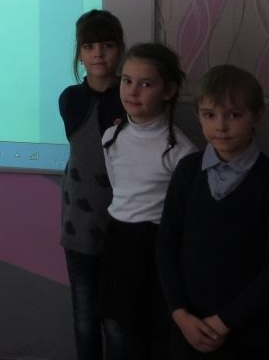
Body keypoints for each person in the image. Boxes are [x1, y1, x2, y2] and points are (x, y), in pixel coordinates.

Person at [156, 65, 269, 360]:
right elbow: (166, 245)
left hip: (248, 335)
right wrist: (179, 313)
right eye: (209, 115)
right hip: (187, 329)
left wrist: (223, 323)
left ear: (257, 116)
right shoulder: (187, 171)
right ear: (198, 115)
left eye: (234, 115)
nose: (220, 126)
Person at [100, 43, 197, 360]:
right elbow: (119, 188)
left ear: (168, 91)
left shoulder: (182, 152)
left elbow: (185, 215)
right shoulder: (110, 138)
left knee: (153, 333)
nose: (132, 91)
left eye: (146, 84)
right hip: (118, 239)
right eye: (127, 81)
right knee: (117, 327)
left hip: (156, 246)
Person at [59, 9, 126, 360]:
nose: (98, 53)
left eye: (107, 45)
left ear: (120, 50)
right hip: (79, 227)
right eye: (89, 46)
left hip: (124, 228)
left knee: (117, 323)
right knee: (85, 320)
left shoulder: (132, 97)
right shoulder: (70, 99)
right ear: (80, 53)